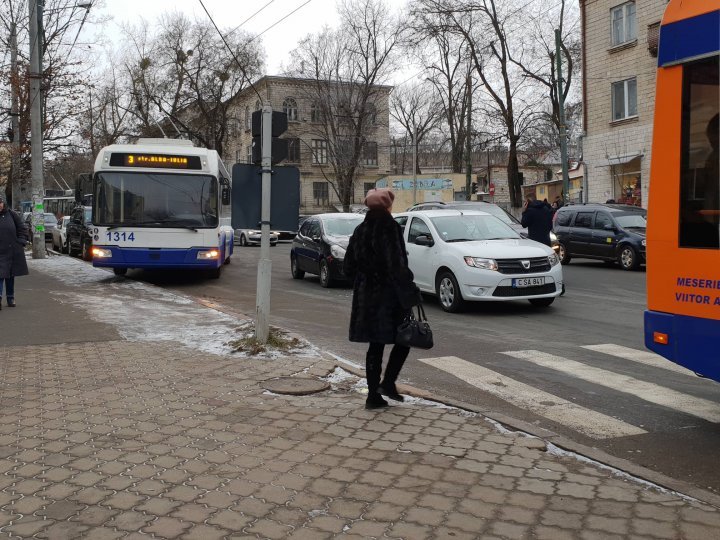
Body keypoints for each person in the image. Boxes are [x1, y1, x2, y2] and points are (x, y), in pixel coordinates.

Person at [344, 188, 421, 410]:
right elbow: (397, 265)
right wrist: (409, 290)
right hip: (389, 296)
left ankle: (372, 396)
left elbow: (348, 267)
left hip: (366, 298)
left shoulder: (360, 230)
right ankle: (387, 383)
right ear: (387, 206)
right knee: (404, 338)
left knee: (375, 346)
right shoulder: (390, 228)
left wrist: (364, 278)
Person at [0, 194, 29, 310]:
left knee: (10, 276)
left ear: (3, 203)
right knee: (0, 276)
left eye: (0, 203)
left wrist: (21, 241)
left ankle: (10, 297)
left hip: (11, 250)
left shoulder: (12, 215)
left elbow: (22, 228)